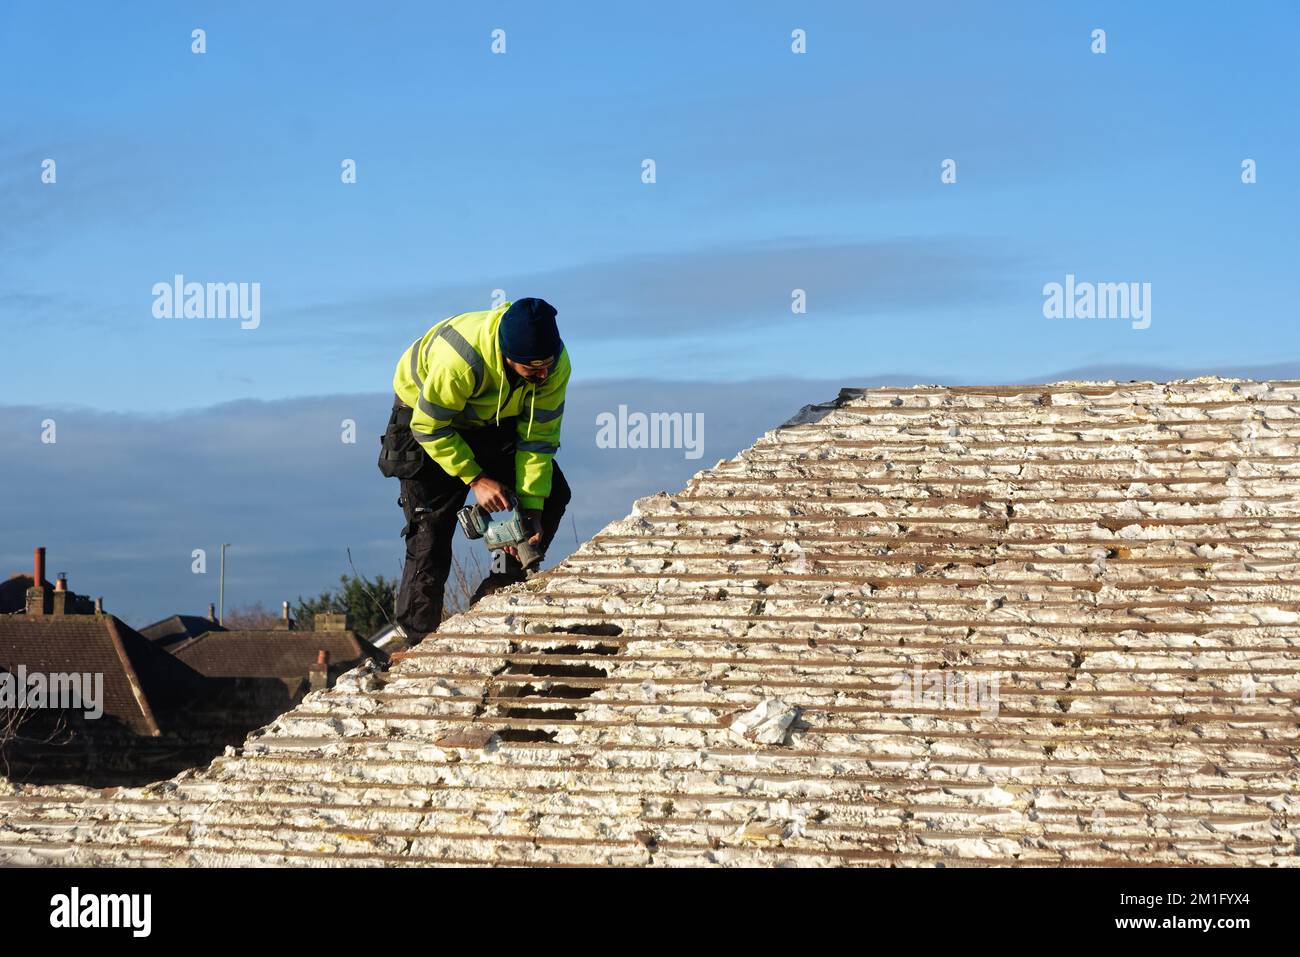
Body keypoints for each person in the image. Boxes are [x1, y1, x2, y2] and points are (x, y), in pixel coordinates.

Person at [378, 298, 570, 645]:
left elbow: (538, 439)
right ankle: (419, 642)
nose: (543, 376)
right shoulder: (461, 362)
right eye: (533, 370)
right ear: (507, 358)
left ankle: (496, 597)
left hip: (490, 417)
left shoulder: (553, 368)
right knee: (430, 530)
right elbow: (429, 426)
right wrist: (477, 479)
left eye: (547, 366)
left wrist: (532, 508)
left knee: (552, 493)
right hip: (426, 419)